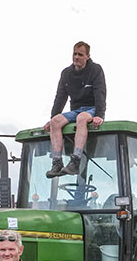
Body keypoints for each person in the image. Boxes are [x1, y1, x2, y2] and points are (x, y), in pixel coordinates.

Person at [44, 41, 107, 179]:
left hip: (92, 108)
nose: (77, 57)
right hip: (76, 109)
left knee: (82, 118)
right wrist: (52, 117)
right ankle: (57, 162)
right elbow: (60, 97)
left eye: (80, 54)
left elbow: (100, 93)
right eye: (75, 54)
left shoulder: (95, 70)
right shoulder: (66, 74)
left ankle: (75, 161)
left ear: (88, 56)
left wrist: (99, 115)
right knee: (56, 121)